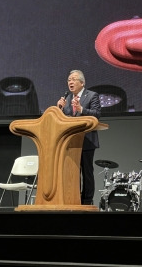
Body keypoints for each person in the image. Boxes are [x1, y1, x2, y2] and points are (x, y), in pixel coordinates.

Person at [56, 69, 101, 205]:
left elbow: (97, 114)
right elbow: (65, 120)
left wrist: (82, 110)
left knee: (86, 172)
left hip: (86, 140)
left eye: (73, 79)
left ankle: (87, 201)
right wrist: (60, 109)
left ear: (82, 82)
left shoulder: (92, 95)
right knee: (73, 172)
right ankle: (73, 199)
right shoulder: (67, 98)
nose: (70, 82)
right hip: (70, 142)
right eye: (69, 80)